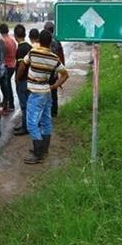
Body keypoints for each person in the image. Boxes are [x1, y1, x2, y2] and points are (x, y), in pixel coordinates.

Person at [17, 29, 69, 164]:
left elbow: (23, 65)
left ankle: (38, 154)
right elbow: (65, 75)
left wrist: (17, 78)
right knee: (46, 121)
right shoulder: (54, 58)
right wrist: (54, 86)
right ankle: (44, 150)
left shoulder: (33, 52)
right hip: (47, 92)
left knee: (31, 123)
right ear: (50, 42)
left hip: (35, 93)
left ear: (39, 40)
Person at [13, 24, 33, 136]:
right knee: (29, 104)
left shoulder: (20, 49)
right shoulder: (29, 47)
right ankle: (26, 125)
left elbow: (22, 65)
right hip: (30, 79)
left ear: (15, 36)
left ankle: (25, 127)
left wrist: (17, 78)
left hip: (23, 80)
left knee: (24, 105)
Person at [43, 21, 65, 117]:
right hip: (54, 69)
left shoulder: (43, 41)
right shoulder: (57, 41)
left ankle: (46, 112)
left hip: (44, 70)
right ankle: (54, 112)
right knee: (53, 91)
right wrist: (61, 70)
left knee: (43, 92)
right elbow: (61, 56)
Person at [0, 23, 17, 114]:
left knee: (5, 87)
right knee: (8, 85)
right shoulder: (12, 40)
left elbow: (1, 55)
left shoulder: (3, 42)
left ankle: (8, 105)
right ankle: (10, 104)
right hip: (13, 65)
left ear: (0, 31)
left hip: (6, 65)